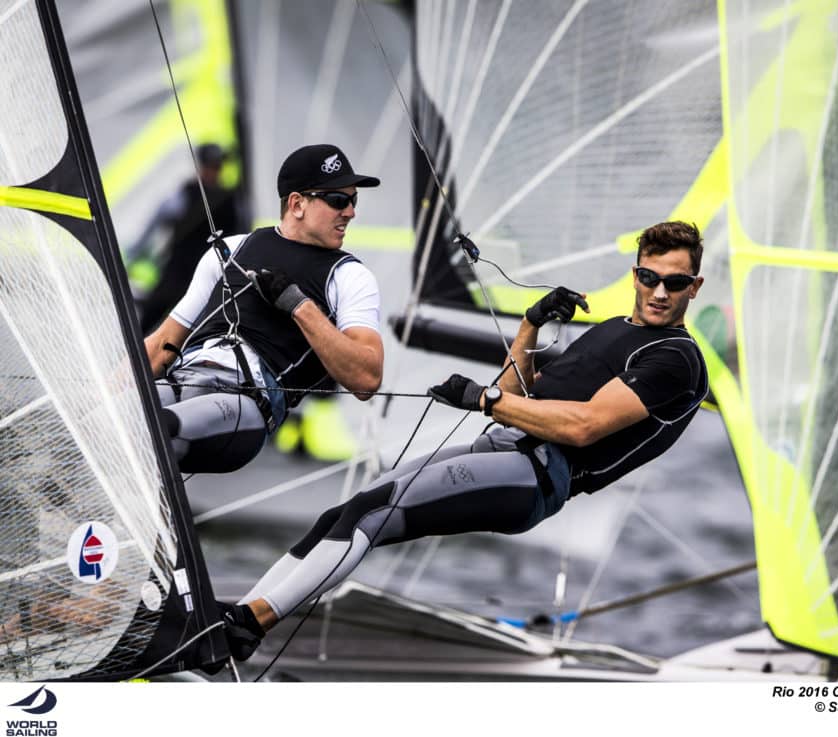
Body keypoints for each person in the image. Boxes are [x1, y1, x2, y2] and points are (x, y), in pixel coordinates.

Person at [218, 220, 709, 660]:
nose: (660, 292)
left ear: (695, 287)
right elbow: (522, 391)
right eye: (650, 277)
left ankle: (245, 626)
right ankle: (238, 617)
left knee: (372, 513)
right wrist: (530, 326)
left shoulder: (675, 358)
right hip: (503, 449)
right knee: (345, 512)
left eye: (676, 283)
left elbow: (582, 426)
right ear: (636, 274)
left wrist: (481, 398)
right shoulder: (614, 329)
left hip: (535, 476)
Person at [144, 144, 385, 474]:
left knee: (156, 428)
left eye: (352, 200)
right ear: (297, 204)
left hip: (243, 406)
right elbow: (160, 347)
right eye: (338, 201)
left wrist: (299, 305)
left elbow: (367, 378)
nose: (350, 212)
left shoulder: (350, 277)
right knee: (118, 417)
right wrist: (92, 401)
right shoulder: (229, 249)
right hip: (186, 378)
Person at [132, 143, 244, 333]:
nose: (214, 171)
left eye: (217, 166)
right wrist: (136, 253)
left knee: (195, 326)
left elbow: (239, 232)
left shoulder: (229, 199)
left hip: (209, 271)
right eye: (211, 166)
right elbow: (159, 220)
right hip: (178, 269)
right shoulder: (187, 192)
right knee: (151, 316)